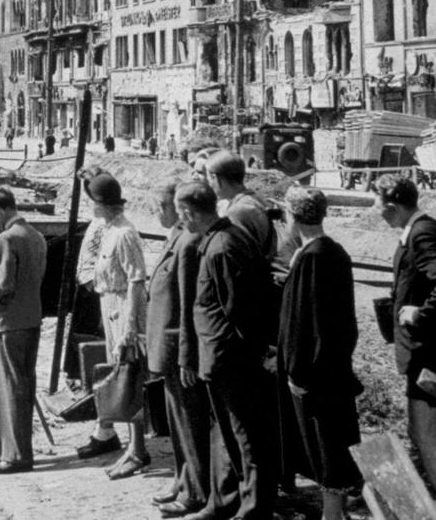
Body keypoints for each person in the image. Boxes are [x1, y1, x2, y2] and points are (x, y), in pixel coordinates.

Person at [174, 181, 275, 520]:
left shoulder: (222, 247)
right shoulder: (219, 240)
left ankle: (253, 510)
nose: (180, 222)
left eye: (180, 215)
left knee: (245, 436)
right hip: (220, 358)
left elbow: (241, 311)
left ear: (189, 212)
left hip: (231, 360)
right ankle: (226, 501)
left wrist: (242, 355)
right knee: (229, 434)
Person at [377, 173, 436, 519]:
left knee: (422, 431)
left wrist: (421, 315)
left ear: (391, 205)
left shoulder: (423, 233)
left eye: (379, 205)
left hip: (430, 350)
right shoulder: (420, 230)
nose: (377, 212)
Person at [277, 186, 361, 520]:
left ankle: (331, 514)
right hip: (333, 367)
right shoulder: (334, 252)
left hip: (316, 373)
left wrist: (298, 372)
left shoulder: (311, 257)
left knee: (325, 444)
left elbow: (304, 321)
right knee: (333, 440)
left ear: (291, 217)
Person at [80, 171, 150, 479]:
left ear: (103, 203)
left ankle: (138, 450)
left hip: (124, 307)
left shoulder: (124, 233)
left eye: (93, 201)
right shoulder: (107, 229)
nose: (91, 207)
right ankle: (118, 439)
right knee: (116, 375)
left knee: (130, 376)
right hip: (109, 304)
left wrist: (131, 325)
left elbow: (136, 280)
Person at [147, 182, 211, 517]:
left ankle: (195, 492)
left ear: (176, 208)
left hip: (179, 349)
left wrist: (186, 354)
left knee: (190, 424)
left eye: (159, 209)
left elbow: (188, 305)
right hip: (169, 348)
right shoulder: (177, 237)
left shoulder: (188, 243)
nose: (157, 215)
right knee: (177, 423)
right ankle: (183, 480)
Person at [0, 185, 47, 474]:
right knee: (23, 386)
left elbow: (2, 286)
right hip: (30, 319)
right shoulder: (35, 235)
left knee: (9, 389)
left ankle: (15, 456)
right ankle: (15, 450)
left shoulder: (6, 239)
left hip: (7, 323)